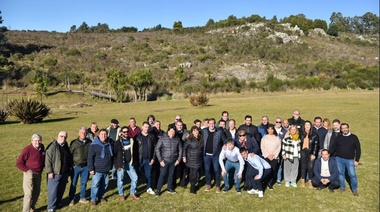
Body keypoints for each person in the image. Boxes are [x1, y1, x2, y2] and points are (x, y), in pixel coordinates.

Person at [330, 123, 361, 196]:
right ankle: (342, 187)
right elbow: (333, 147)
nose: (344, 129)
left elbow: (358, 149)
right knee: (341, 174)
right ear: (341, 129)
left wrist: (357, 160)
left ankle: (354, 189)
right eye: (343, 128)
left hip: (350, 160)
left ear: (348, 128)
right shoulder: (339, 137)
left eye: (345, 128)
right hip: (339, 159)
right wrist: (328, 153)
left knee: (352, 175)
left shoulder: (354, 137)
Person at [16, 134, 45, 212]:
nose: (37, 142)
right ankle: (25, 210)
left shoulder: (42, 147)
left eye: (39, 140)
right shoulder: (27, 149)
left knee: (36, 192)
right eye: (35, 141)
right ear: (32, 141)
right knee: (28, 193)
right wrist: (27, 171)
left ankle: (31, 207)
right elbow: (19, 163)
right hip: (29, 173)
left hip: (38, 173)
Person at [45, 131, 72, 211]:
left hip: (64, 172)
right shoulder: (52, 146)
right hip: (55, 173)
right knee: (53, 191)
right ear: (58, 136)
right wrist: (50, 172)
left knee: (61, 189)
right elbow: (47, 160)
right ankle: (51, 207)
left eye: (65, 137)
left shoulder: (65, 145)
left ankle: (58, 203)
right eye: (61, 136)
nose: (63, 138)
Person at [88, 129, 114, 206]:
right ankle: (93, 199)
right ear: (98, 135)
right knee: (95, 185)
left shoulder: (110, 143)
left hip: (107, 168)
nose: (103, 136)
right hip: (97, 169)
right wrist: (91, 168)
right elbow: (90, 157)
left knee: (104, 184)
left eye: (105, 134)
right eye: (102, 134)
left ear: (107, 135)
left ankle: (101, 196)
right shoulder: (94, 145)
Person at [114, 126, 140, 201]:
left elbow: (134, 152)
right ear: (121, 133)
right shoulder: (118, 142)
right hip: (120, 164)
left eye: (127, 132)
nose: (126, 133)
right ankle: (121, 194)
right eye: (124, 132)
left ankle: (132, 193)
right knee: (120, 180)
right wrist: (116, 166)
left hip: (130, 163)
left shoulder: (131, 140)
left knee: (135, 178)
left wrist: (134, 161)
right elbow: (114, 155)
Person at [155, 127, 182, 196]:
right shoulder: (162, 138)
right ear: (168, 131)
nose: (172, 133)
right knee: (162, 175)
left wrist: (178, 160)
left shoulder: (177, 139)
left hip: (174, 161)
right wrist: (160, 160)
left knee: (171, 175)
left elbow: (180, 150)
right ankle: (158, 190)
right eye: (171, 131)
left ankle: (169, 188)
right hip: (164, 160)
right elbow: (157, 149)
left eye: (173, 131)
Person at [202, 118, 227, 193]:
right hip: (206, 155)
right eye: (210, 123)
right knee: (207, 170)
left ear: (215, 124)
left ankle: (218, 186)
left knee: (216, 170)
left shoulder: (219, 132)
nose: (212, 125)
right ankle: (208, 184)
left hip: (216, 155)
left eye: (213, 123)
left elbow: (224, 140)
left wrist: (225, 144)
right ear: (208, 124)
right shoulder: (204, 131)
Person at [68, 127, 92, 205]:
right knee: (73, 183)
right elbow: (70, 154)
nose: (83, 134)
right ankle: (72, 198)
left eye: (85, 133)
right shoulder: (74, 143)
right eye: (82, 133)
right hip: (76, 167)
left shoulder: (90, 142)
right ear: (79, 133)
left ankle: (82, 197)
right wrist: (72, 164)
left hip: (85, 167)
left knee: (84, 183)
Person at [134, 121, 156, 195]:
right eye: (145, 127)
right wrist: (135, 160)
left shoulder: (152, 137)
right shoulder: (137, 137)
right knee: (137, 175)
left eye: (148, 127)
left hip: (149, 160)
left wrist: (153, 158)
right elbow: (134, 150)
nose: (147, 128)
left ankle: (149, 188)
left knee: (149, 174)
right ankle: (135, 188)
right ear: (142, 127)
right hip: (140, 160)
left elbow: (155, 149)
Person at [182, 126, 204, 194]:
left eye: (197, 130)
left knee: (196, 174)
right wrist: (184, 157)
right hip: (191, 159)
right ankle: (192, 188)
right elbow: (184, 148)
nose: (196, 132)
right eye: (194, 131)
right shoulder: (189, 139)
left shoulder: (201, 138)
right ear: (192, 132)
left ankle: (192, 185)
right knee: (193, 174)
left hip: (199, 159)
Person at [260, 124, 281, 190]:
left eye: (272, 129)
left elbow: (279, 147)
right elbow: (262, 147)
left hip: (274, 157)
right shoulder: (264, 138)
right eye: (269, 129)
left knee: (273, 170)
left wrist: (274, 155)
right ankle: (265, 181)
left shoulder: (277, 138)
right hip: (266, 157)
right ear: (267, 130)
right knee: (267, 170)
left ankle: (270, 183)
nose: (270, 130)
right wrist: (268, 155)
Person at [300, 121, 319, 188]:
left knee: (310, 167)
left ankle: (310, 180)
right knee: (303, 166)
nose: (307, 126)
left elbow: (316, 145)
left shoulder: (314, 135)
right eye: (306, 125)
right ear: (304, 126)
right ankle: (303, 180)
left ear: (311, 126)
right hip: (303, 151)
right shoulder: (301, 134)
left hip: (310, 152)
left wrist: (314, 154)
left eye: (308, 125)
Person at [274, 117, 288, 185]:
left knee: (280, 166)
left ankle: (278, 179)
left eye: (280, 122)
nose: (278, 123)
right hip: (273, 151)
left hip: (281, 151)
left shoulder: (285, 131)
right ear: (275, 122)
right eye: (277, 122)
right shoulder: (271, 130)